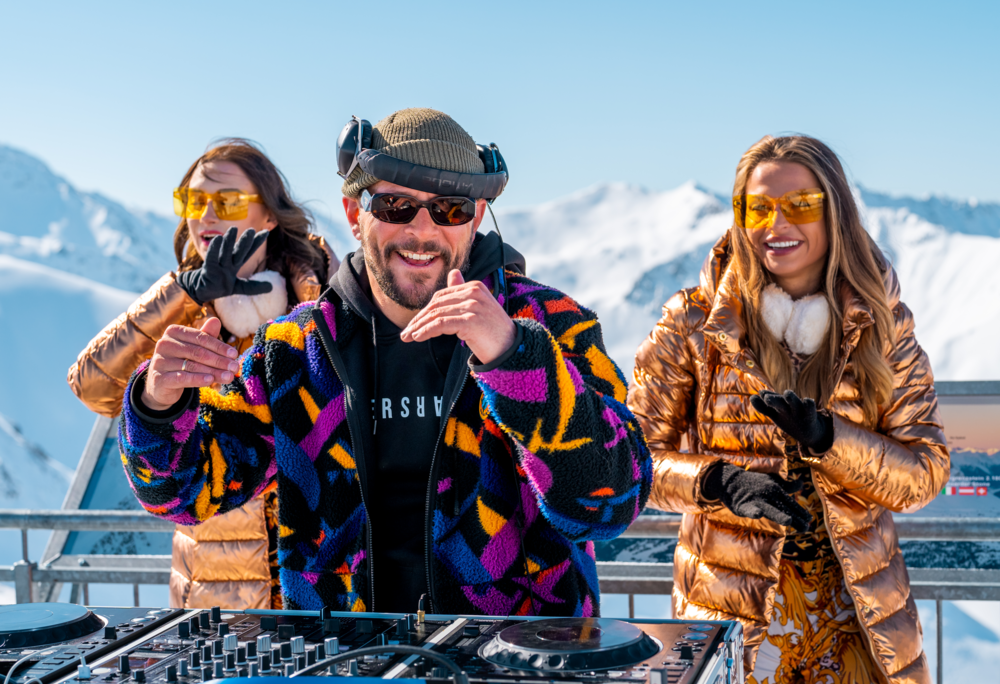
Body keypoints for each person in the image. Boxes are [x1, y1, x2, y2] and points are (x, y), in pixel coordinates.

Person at [116, 108, 651, 615]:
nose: (422, 230)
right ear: (355, 213)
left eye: (450, 208)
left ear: (477, 217)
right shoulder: (296, 349)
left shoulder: (550, 323)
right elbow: (184, 494)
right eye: (396, 206)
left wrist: (516, 359)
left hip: (518, 657)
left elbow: (609, 503)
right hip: (347, 659)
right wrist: (158, 404)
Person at [628, 135, 948, 682]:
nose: (777, 224)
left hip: (858, 629)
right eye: (758, 207)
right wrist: (716, 482)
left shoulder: (883, 326)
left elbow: (925, 473)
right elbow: (630, 460)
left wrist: (832, 441)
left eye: (800, 205)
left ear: (836, 212)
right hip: (735, 626)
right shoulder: (692, 325)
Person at [69, 139, 338, 609]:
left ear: (269, 216)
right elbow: (92, 386)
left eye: (227, 201)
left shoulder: (324, 298)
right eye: (193, 201)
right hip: (215, 597)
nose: (206, 216)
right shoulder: (183, 315)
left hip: (325, 584)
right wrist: (179, 293)